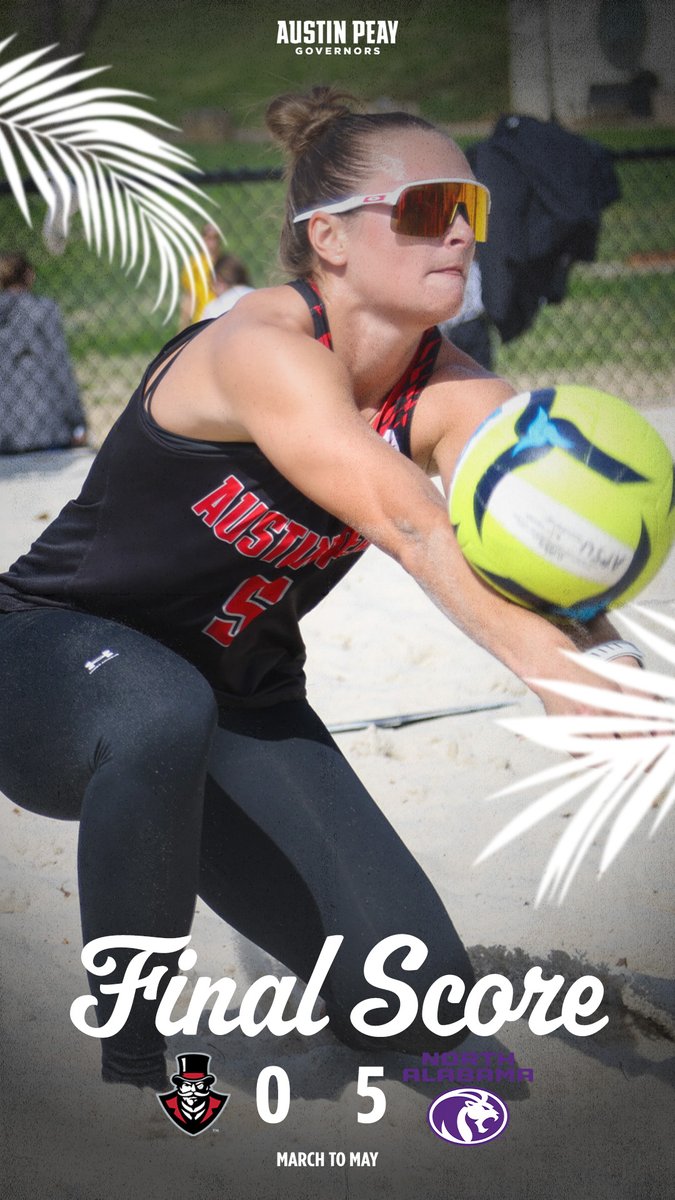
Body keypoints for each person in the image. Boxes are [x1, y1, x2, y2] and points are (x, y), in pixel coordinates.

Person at [0, 87, 643, 1091]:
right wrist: (553, 681)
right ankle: (136, 1067)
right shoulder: (259, 349)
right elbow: (414, 527)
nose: (460, 235)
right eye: (428, 209)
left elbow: (529, 542)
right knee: (158, 706)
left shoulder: (455, 388)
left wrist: (610, 662)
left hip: (239, 701)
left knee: (426, 1012)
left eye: (470, 210)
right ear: (329, 239)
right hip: (52, 664)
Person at [0, 252, 87, 453]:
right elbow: (60, 368)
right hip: (46, 427)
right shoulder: (43, 310)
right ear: (29, 275)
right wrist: (77, 422)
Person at [178, 222, 223, 329]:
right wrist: (183, 327)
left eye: (214, 238)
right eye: (207, 237)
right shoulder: (195, 264)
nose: (211, 242)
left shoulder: (225, 263)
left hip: (222, 315)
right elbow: (189, 296)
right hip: (201, 319)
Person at [201, 253, 255, 320]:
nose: (212, 290)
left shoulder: (213, 308)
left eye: (211, 284)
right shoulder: (257, 295)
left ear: (219, 280)